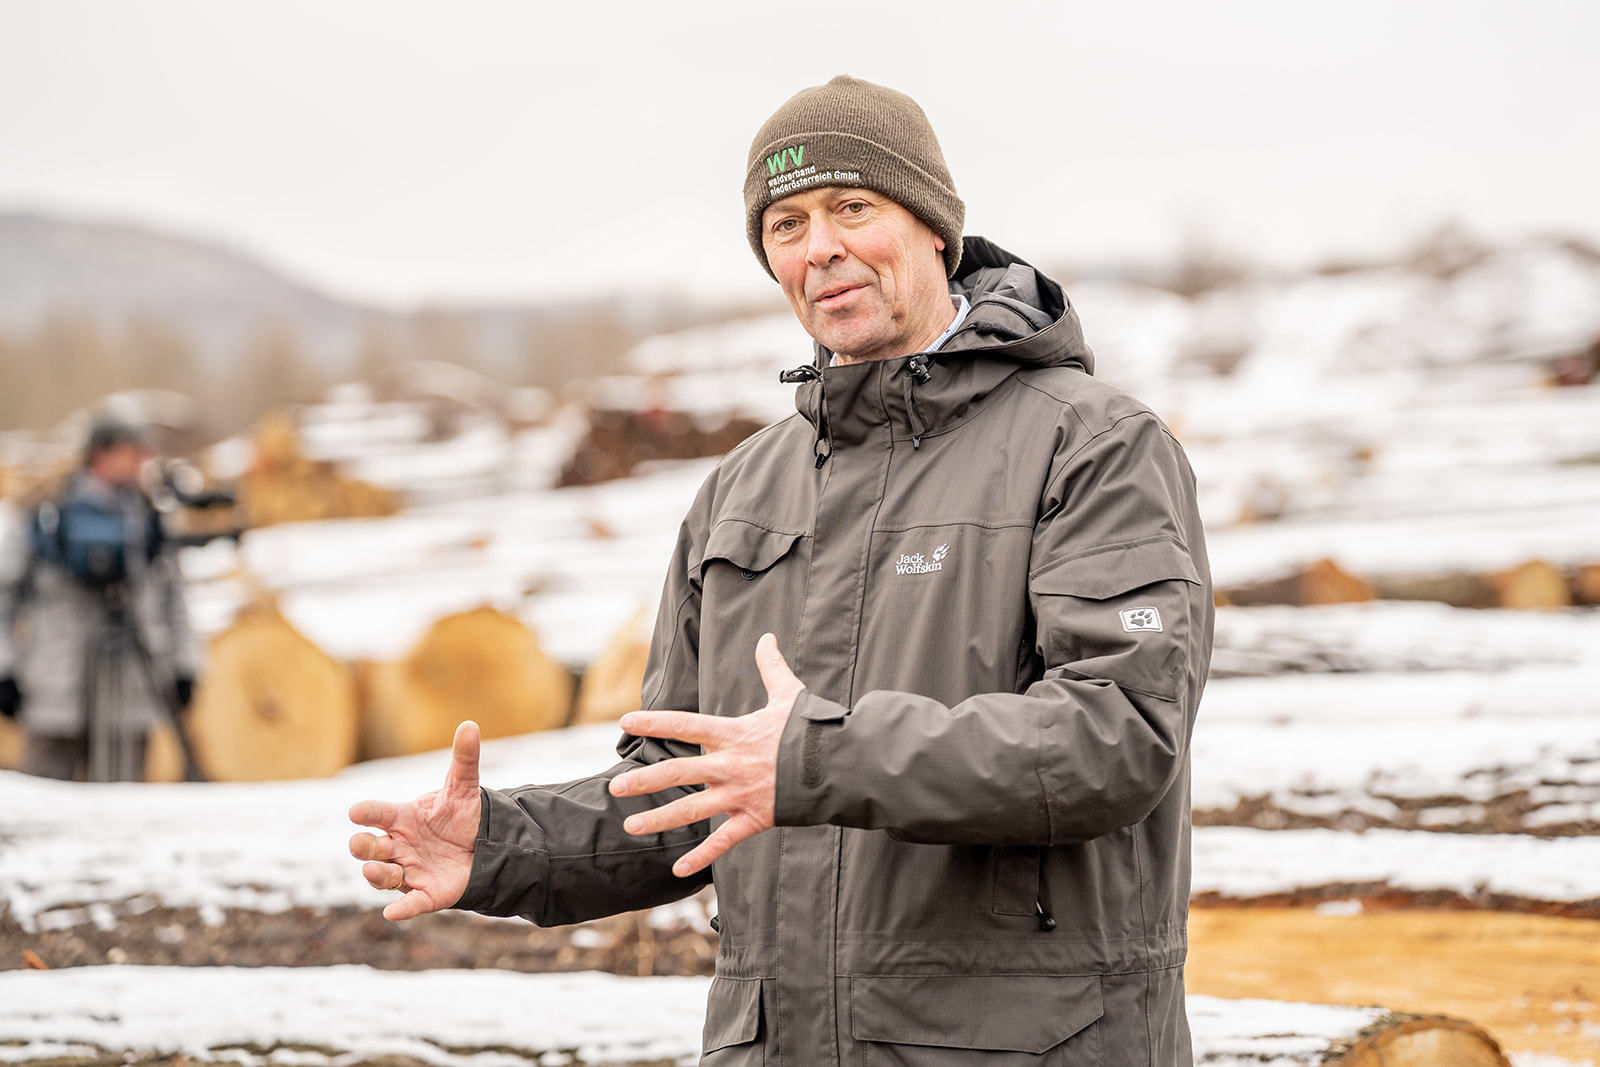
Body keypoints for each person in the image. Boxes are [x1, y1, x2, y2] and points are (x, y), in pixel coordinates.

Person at [349, 75, 1214, 1065]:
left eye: (853, 207)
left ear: (934, 227)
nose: (821, 247)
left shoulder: (1093, 445)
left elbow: (1119, 733)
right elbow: (689, 784)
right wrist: (501, 845)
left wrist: (818, 757)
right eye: (787, 224)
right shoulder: (740, 491)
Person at [0, 417, 201, 781]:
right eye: (132, 453)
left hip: (132, 689)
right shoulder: (46, 512)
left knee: (121, 801)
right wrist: (4, 670)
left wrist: (185, 666)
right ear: (101, 455)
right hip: (57, 691)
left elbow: (172, 597)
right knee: (46, 795)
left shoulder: (148, 517)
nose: (141, 463)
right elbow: (4, 597)